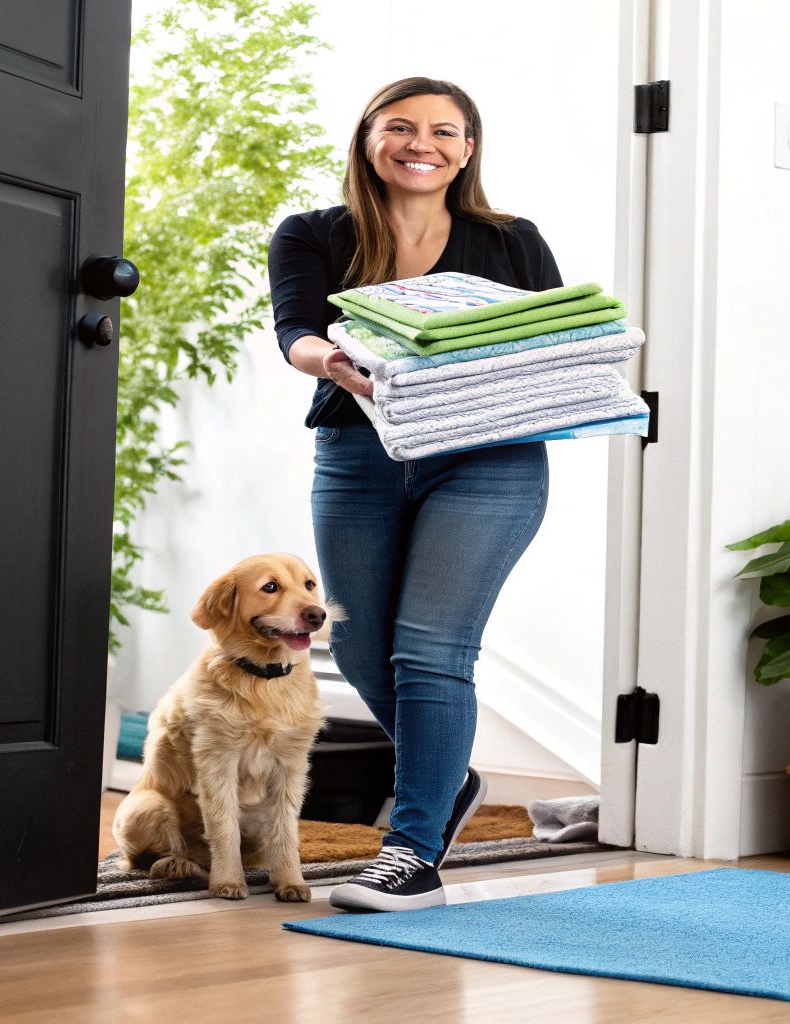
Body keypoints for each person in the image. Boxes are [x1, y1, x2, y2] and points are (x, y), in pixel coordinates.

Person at [268, 77, 562, 912]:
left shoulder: (512, 242)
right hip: (360, 449)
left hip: (488, 460)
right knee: (358, 648)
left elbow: (552, 341)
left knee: (430, 646)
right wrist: (332, 362)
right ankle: (447, 776)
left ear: (468, 148)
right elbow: (296, 330)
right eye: (399, 127)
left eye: (443, 130)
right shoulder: (314, 234)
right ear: (368, 140)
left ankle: (413, 854)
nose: (420, 143)